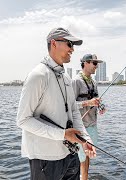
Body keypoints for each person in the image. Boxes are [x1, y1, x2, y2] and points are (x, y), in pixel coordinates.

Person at [16, 27, 96, 180]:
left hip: (69, 155)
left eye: (73, 45)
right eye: (69, 44)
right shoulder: (38, 75)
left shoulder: (65, 77)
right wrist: (63, 134)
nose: (72, 49)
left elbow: (73, 113)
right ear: (53, 43)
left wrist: (85, 140)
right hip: (44, 159)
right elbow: (23, 120)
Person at [72, 54, 106, 180]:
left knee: (87, 156)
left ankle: (83, 178)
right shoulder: (76, 81)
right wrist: (88, 103)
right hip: (81, 126)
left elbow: (95, 100)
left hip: (92, 125)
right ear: (85, 63)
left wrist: (100, 106)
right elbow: (70, 105)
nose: (96, 66)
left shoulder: (93, 82)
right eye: (94, 63)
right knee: (81, 157)